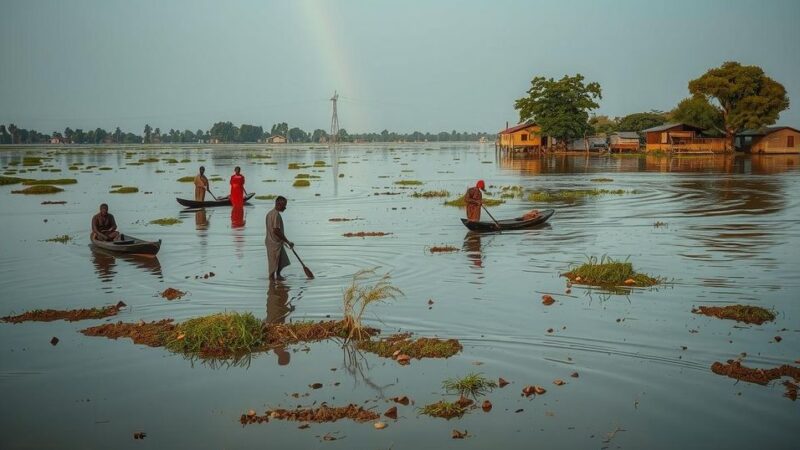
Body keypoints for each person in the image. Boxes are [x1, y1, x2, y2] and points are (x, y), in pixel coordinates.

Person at [265, 196, 293, 281]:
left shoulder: (270, 213)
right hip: (273, 243)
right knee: (273, 265)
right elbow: (276, 230)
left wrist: (283, 241)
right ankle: (272, 284)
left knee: (282, 260)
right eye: (283, 205)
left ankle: (278, 276)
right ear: (278, 204)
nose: (285, 207)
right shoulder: (275, 215)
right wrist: (287, 241)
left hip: (275, 242)